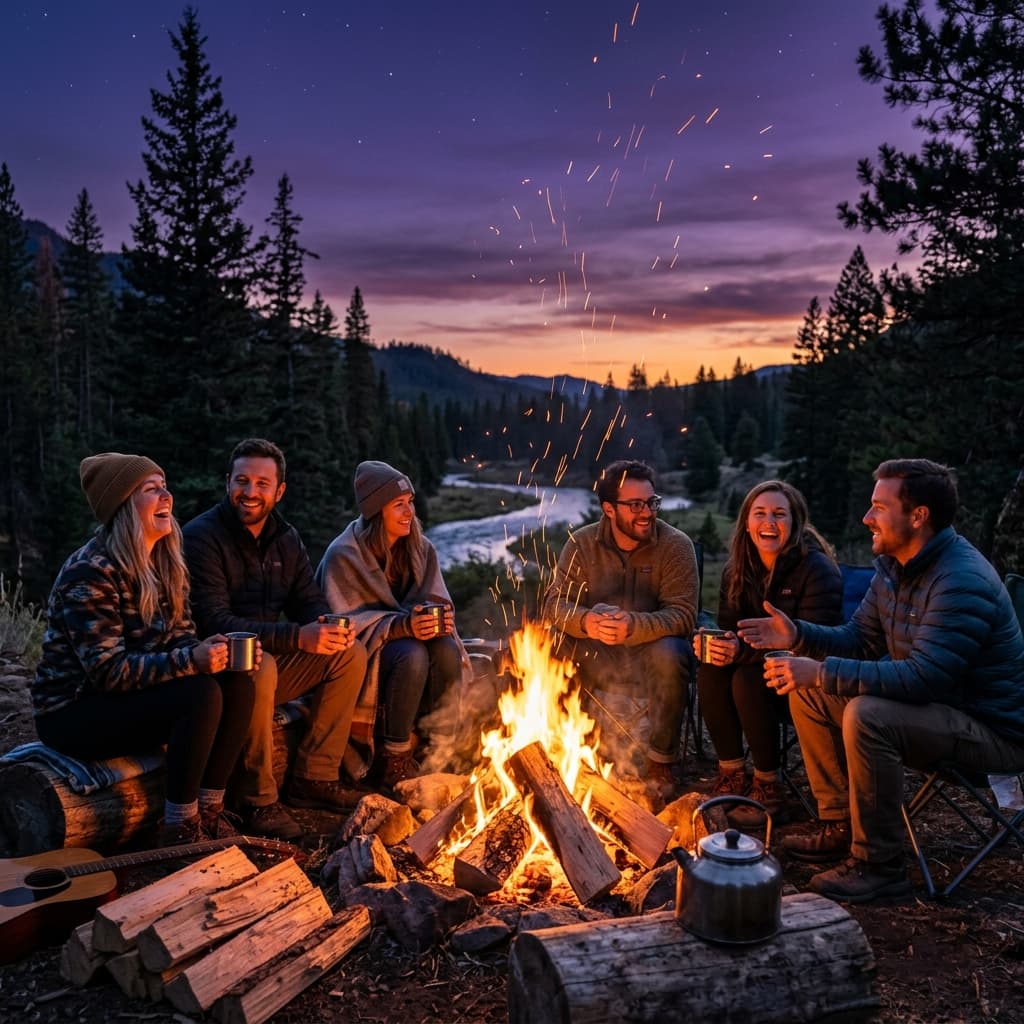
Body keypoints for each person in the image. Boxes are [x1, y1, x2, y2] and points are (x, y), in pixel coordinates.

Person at [737, 458, 1024, 903]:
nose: (866, 517)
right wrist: (799, 635)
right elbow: (859, 638)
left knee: (867, 713)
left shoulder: (959, 578)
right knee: (810, 690)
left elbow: (924, 678)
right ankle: (838, 824)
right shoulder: (894, 566)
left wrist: (825, 670)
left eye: (878, 507)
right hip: (941, 712)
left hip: (991, 730)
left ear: (918, 516)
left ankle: (879, 864)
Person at [32, 453, 255, 846]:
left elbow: (181, 638)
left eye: (165, 486)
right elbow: (108, 672)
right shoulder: (91, 571)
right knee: (199, 695)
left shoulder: (165, 562)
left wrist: (205, 652)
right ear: (122, 504)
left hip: (128, 699)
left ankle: (210, 811)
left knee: (236, 683)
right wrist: (191, 661)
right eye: (151, 490)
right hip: (73, 712)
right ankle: (179, 828)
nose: (166, 495)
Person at [183, 438, 367, 840]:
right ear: (227, 482)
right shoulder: (201, 537)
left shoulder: (286, 538)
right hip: (212, 672)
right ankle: (257, 800)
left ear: (279, 491)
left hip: (267, 658)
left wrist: (329, 624)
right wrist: (298, 637)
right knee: (258, 664)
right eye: (242, 480)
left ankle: (313, 777)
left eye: (262, 484)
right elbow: (214, 619)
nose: (250, 492)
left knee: (349, 653)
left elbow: (307, 599)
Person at [541, 459, 699, 799]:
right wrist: (587, 622)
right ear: (609, 509)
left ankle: (660, 763)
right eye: (636, 505)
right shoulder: (582, 544)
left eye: (651, 503)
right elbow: (554, 605)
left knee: (671, 652)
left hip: (651, 660)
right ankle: (571, 749)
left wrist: (633, 626)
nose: (647, 513)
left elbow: (684, 615)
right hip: (597, 656)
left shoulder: (676, 546)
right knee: (552, 645)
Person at [694, 480, 842, 828]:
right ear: (746, 522)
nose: (768, 523)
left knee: (748, 677)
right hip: (757, 668)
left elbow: (816, 643)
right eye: (759, 514)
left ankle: (768, 785)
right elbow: (733, 631)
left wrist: (739, 652)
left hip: (807, 676)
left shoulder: (816, 569)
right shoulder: (737, 570)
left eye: (779, 514)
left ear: (795, 523)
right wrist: (717, 644)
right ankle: (731, 773)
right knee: (711, 669)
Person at [315, 461, 469, 790]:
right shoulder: (343, 555)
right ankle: (393, 759)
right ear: (376, 512)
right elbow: (345, 624)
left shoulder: (420, 549)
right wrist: (403, 627)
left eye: (410, 502)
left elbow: (436, 598)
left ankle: (437, 749)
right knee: (411, 653)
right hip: (359, 655)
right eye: (398, 505)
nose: (409, 512)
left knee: (445, 647)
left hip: (401, 642)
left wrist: (437, 618)